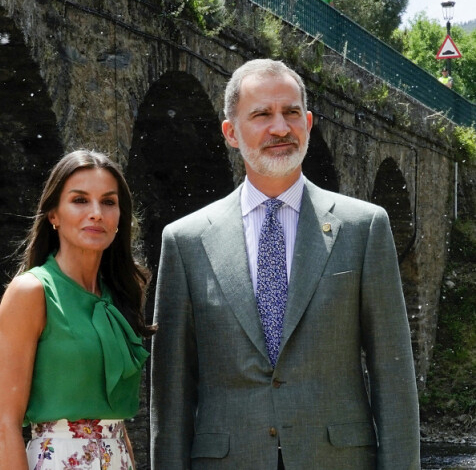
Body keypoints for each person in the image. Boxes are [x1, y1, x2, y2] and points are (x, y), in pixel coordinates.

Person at [150, 59, 420, 469]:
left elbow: (393, 375)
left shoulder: (363, 227)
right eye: (261, 114)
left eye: (291, 112)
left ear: (308, 123)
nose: (280, 128)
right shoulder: (185, 241)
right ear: (231, 133)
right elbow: (171, 394)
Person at [0, 149, 154, 470]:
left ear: (120, 216)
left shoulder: (122, 294)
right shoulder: (32, 291)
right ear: (54, 214)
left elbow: (114, 421)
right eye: (80, 200)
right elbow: (5, 426)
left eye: (108, 202)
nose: (96, 212)